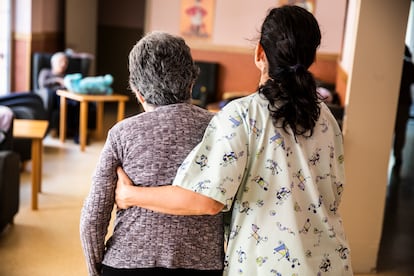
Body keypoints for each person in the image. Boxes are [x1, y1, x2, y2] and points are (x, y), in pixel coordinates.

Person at [115, 5, 353, 275]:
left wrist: (130, 195)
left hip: (265, 266)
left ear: (260, 52)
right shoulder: (326, 118)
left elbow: (206, 200)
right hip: (331, 262)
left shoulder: (243, 115)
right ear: (311, 57)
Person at [79, 31, 224, 276]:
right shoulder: (220, 128)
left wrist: (97, 270)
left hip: (127, 264)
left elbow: (93, 218)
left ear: (137, 92)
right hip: (202, 266)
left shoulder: (122, 134)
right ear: (191, 82)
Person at [393, 45, 414, 176]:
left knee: (390, 131)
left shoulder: (394, 65)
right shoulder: (410, 67)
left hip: (391, 102)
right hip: (404, 103)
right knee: (400, 133)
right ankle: (398, 156)